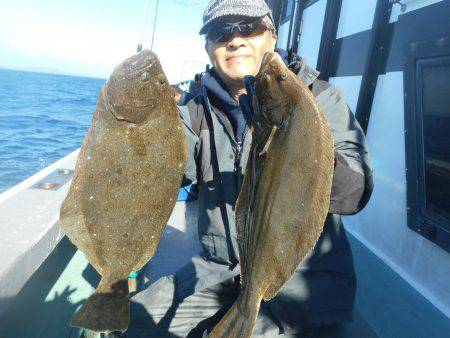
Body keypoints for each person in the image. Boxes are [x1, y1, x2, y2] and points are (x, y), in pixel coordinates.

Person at [112, 0, 373, 337]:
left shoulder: (318, 100)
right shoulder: (192, 112)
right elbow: (153, 183)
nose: (235, 40)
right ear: (208, 48)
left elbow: (355, 194)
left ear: (272, 37)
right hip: (217, 271)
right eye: (222, 33)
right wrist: (135, 135)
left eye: (248, 28)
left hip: (302, 279)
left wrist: (292, 136)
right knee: (131, 324)